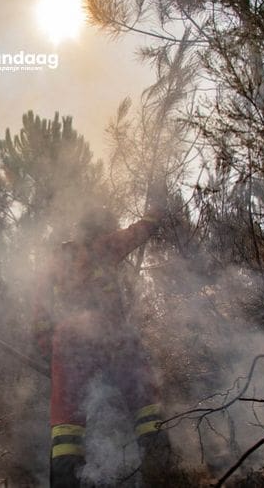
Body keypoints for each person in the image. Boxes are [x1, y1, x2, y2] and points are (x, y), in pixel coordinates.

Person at [36, 181, 172, 487]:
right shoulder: (103, 246)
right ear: (100, 229)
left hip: (67, 341)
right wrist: (157, 203)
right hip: (110, 333)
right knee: (144, 401)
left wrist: (50, 352)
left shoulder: (54, 262)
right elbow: (144, 228)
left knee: (66, 423)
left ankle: (65, 481)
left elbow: (39, 313)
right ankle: (162, 472)